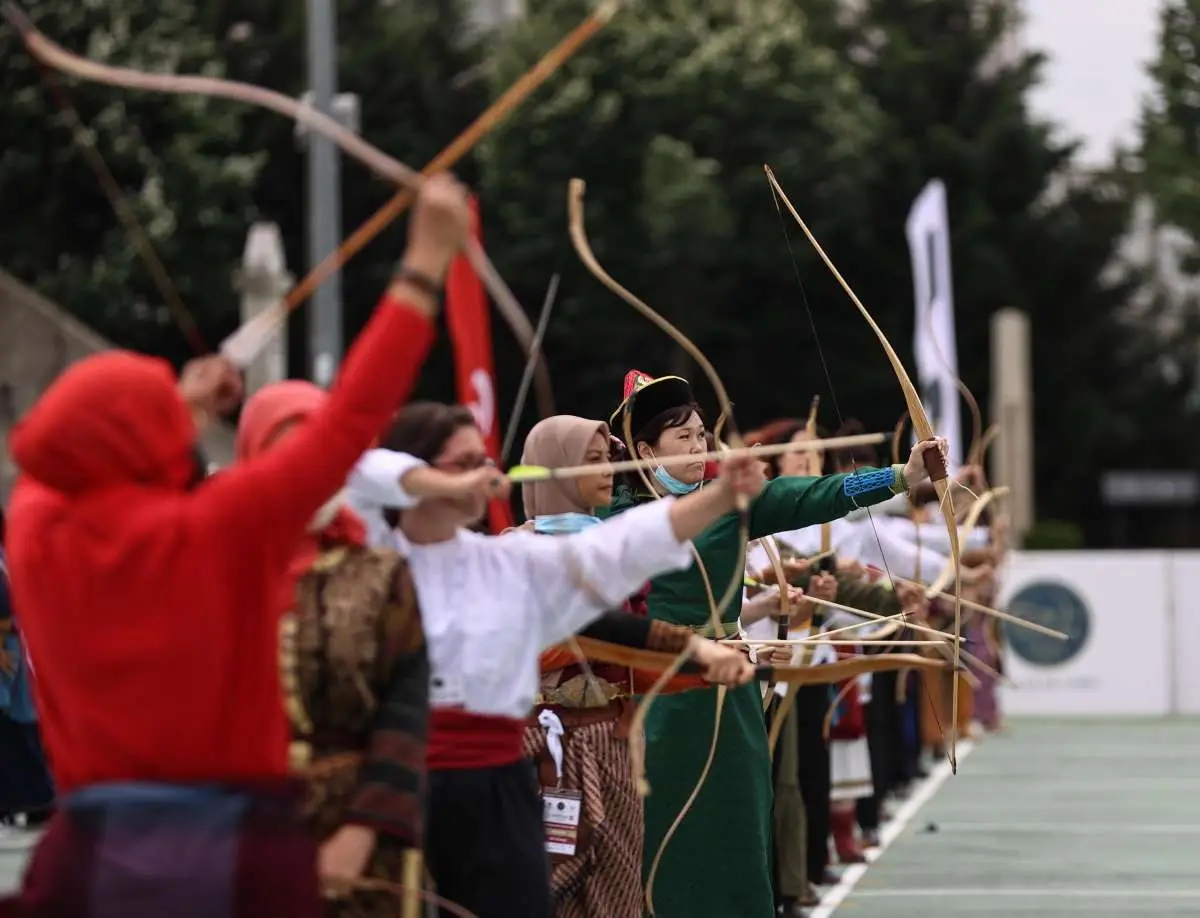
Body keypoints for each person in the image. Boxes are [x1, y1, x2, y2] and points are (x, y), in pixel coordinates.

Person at [1, 173, 470, 917]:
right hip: (236, 852)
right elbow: (348, 422)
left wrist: (174, 407)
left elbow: (66, 457)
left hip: (91, 854)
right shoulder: (221, 527)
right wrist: (423, 266)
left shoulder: (32, 530)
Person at [378, 401, 760, 918]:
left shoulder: (503, 561)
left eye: (483, 462)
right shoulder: (374, 558)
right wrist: (441, 486)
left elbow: (615, 560)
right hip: (401, 777)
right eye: (461, 463)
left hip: (501, 778)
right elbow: (351, 469)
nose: (482, 475)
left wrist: (718, 496)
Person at [604, 370, 948, 918]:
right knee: (663, 826)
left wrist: (900, 477)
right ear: (644, 450)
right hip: (656, 694)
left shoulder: (729, 504)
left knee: (738, 824)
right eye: (682, 439)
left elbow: (812, 494)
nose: (698, 449)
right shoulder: (612, 516)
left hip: (728, 690)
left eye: (700, 436)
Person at [519, 415, 752, 918]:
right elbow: (588, 635)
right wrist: (697, 654)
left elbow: (622, 653)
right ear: (554, 471)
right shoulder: (516, 552)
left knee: (618, 889)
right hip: (545, 749)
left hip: (613, 741)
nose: (611, 470)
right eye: (594, 460)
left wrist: (710, 663)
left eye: (610, 458)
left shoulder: (598, 545)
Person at [234, 381, 430, 917]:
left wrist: (361, 833)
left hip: (359, 835)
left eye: (321, 454)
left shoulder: (383, 577)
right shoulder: (220, 573)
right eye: (287, 455)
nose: (307, 474)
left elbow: (405, 716)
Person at [0, 508, 54, 834]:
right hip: (18, 653)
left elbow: (6, 614)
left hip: (11, 655)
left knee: (15, 730)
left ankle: (33, 801)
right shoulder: (10, 555)